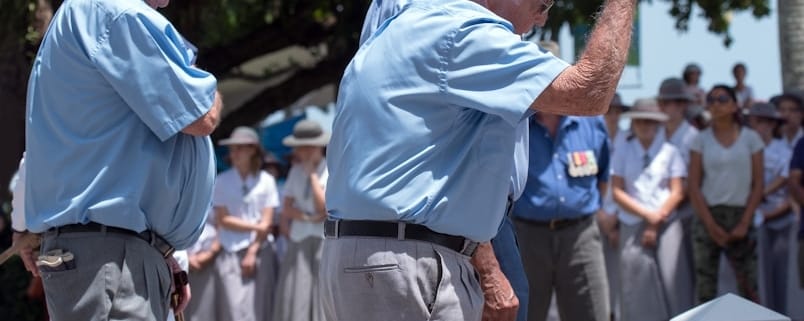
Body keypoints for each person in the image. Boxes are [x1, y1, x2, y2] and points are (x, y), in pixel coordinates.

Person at [321, 0, 638, 319]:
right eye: (541, 6)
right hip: (407, 256)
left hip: (382, 253)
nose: (542, 20)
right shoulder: (461, 31)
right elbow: (590, 91)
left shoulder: (406, 26)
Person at [16, 0, 222, 319]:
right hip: (111, 259)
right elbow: (201, 116)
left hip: (116, 255)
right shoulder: (116, 12)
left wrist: (158, 251)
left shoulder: (90, 13)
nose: (167, 2)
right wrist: (207, 91)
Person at [611, 98, 686, 321]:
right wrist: (646, 215)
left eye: (650, 121)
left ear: (658, 124)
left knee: (673, 282)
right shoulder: (622, 150)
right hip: (631, 222)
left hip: (666, 222)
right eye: (640, 121)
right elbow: (617, 191)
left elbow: (677, 191)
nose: (645, 125)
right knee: (634, 284)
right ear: (633, 123)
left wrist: (656, 219)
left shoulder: (670, 151)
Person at [688, 85, 764, 303]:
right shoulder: (700, 139)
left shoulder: (751, 139)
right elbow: (693, 185)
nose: (716, 104)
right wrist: (711, 226)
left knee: (748, 287)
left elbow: (758, 184)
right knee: (705, 288)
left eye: (722, 99)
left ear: (735, 105)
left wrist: (745, 222)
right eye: (711, 100)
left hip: (742, 215)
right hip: (708, 216)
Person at [213, 126, 280, 321]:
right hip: (230, 251)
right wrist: (255, 226)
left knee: (262, 310)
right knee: (234, 310)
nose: (234, 153)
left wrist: (252, 251)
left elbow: (267, 221)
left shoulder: (267, 181)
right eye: (232, 148)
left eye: (239, 148)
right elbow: (223, 220)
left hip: (261, 250)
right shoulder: (221, 181)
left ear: (252, 150)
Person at [273, 120, 329, 321]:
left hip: (323, 241)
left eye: (306, 147)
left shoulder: (330, 169)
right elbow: (286, 208)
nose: (301, 152)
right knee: (297, 289)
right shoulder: (295, 172)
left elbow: (322, 207)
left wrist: (313, 175)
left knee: (320, 290)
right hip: (299, 238)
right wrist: (308, 218)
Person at [655, 77, 697, 313]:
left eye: (669, 103)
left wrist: (668, 207)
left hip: (687, 212)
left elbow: (693, 181)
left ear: (682, 105)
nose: (664, 108)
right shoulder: (657, 133)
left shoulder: (692, 136)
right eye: (662, 103)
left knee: (686, 278)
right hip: (659, 213)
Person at [746, 102, 793, 314]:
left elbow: (787, 180)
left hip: (781, 219)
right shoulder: (743, 147)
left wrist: (762, 196)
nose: (761, 126)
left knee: (782, 277)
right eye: (757, 121)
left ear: (773, 125)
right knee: (757, 278)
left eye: (766, 122)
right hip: (752, 219)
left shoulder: (784, 150)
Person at [599, 93, 630, 321]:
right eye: (609, 110)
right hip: (593, 215)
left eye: (616, 110)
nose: (613, 115)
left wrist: (616, 217)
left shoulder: (629, 140)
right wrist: (601, 214)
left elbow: (634, 183)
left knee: (620, 277)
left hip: (623, 217)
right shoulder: (592, 136)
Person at [185, 210, 221, 321]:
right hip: (179, 261)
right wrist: (184, 256)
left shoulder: (216, 194)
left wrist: (211, 253)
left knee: (207, 310)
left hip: (210, 260)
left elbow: (222, 224)